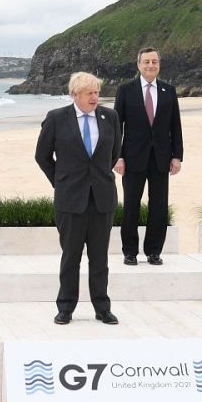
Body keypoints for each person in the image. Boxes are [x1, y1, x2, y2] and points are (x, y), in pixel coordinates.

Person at [34, 71, 123, 326]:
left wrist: (99, 176)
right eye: (89, 93)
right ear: (75, 95)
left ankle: (102, 307)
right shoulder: (56, 118)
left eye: (96, 92)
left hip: (102, 198)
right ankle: (66, 307)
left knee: (100, 257)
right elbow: (42, 156)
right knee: (71, 256)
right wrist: (60, 181)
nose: (95, 97)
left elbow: (114, 152)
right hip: (70, 199)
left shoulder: (110, 117)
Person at [113, 47, 183, 266]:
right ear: (139, 65)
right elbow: (117, 127)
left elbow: (176, 126)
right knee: (131, 206)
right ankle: (130, 252)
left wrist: (177, 156)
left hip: (161, 158)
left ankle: (154, 251)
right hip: (133, 157)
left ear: (159, 64)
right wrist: (118, 157)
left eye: (154, 61)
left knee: (159, 207)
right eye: (146, 62)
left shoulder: (168, 91)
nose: (151, 65)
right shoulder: (126, 90)